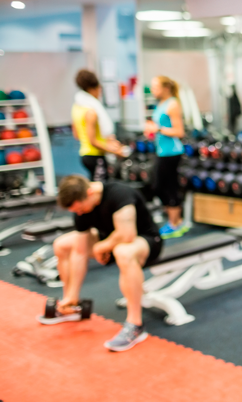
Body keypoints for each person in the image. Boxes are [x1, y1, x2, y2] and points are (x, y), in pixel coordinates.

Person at [39, 175, 162, 352]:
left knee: (123, 252)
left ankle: (135, 324)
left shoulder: (120, 194)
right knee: (62, 245)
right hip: (110, 241)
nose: (80, 213)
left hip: (146, 241)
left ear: (90, 192)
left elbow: (127, 235)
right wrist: (72, 295)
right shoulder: (81, 209)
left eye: (80, 209)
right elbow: (80, 252)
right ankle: (71, 305)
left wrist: (100, 247)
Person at [144, 76, 188, 239]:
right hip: (161, 151)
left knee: (167, 187)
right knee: (157, 186)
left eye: (156, 87)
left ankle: (175, 224)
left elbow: (179, 132)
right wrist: (151, 131)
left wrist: (158, 129)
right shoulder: (161, 104)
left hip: (172, 152)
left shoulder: (173, 104)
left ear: (166, 88)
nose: (153, 90)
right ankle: (177, 220)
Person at [72, 69, 124, 181]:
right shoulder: (91, 112)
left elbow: (76, 135)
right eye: (99, 89)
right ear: (92, 89)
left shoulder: (76, 107)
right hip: (94, 156)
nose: (100, 92)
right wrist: (114, 150)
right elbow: (93, 141)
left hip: (85, 154)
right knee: (100, 190)